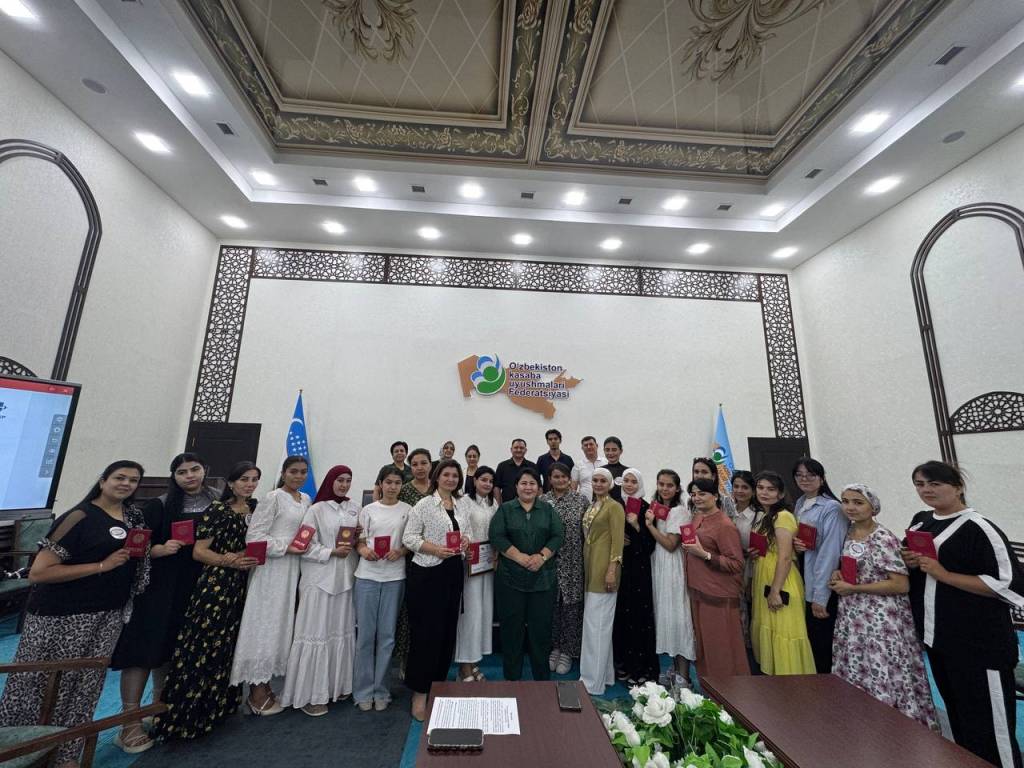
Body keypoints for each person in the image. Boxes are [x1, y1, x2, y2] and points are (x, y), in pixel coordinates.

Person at [0, 461, 149, 766]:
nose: (126, 484)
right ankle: (25, 753)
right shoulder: (79, 516)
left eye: (133, 480)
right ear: (103, 480)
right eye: (119, 477)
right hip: (62, 617)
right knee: (41, 686)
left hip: (107, 615)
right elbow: (40, 572)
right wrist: (101, 566)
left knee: (84, 686)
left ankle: (67, 754)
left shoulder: (133, 516)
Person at [903, 461, 1023, 767]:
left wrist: (945, 575)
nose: (926, 490)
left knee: (991, 730)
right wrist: (910, 560)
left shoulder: (978, 528)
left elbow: (1008, 584)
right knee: (960, 724)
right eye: (920, 484)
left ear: (958, 487)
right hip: (940, 641)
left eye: (935, 484)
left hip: (979, 647)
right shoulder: (921, 522)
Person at [112, 452, 216, 752]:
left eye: (194, 469)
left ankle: (160, 708)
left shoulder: (216, 501)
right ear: (174, 476)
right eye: (182, 472)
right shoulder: (158, 505)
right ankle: (129, 722)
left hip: (197, 586)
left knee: (173, 649)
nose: (190, 476)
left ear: (204, 470)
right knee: (144, 650)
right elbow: (134, 547)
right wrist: (159, 549)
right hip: (159, 587)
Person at [154, 462, 262, 740]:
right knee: (206, 644)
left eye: (254, 480)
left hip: (244, 584)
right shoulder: (218, 509)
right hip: (218, 584)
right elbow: (199, 552)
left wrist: (244, 557)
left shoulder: (256, 508)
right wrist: (228, 560)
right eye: (244, 479)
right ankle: (189, 716)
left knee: (229, 646)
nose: (249, 484)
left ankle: (220, 707)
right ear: (231, 483)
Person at [828, 484, 937, 728]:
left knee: (882, 668)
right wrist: (839, 573)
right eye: (846, 501)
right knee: (857, 665)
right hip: (853, 615)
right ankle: (861, 723)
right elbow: (858, 569)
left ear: (873, 507)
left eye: (858, 502)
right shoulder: (850, 533)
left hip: (880, 619)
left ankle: (890, 728)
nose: (850, 507)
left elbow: (900, 584)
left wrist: (855, 588)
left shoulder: (883, 538)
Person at [230, 456, 312, 715]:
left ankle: (266, 685)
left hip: (293, 569)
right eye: (293, 471)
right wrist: (285, 547)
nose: (298, 476)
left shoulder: (305, 499)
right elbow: (254, 536)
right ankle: (255, 691)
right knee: (263, 626)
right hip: (271, 570)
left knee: (279, 626)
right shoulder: (273, 498)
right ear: (284, 473)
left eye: (303, 472)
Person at [280, 465, 361, 715]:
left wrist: (358, 539)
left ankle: (338, 685)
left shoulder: (354, 508)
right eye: (340, 480)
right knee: (317, 632)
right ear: (330, 481)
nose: (344, 485)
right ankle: (310, 695)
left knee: (340, 631)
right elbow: (303, 545)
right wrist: (330, 552)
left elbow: (358, 540)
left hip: (345, 580)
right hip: (319, 581)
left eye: (348, 480)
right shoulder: (316, 510)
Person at [402, 459, 472, 721]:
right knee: (426, 635)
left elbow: (467, 533)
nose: (451, 479)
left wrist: (465, 541)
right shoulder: (424, 504)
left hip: (453, 572)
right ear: (437, 477)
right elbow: (409, 538)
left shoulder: (461, 504)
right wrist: (435, 549)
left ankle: (438, 687)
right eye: (446, 475)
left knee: (446, 634)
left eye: (455, 475)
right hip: (428, 573)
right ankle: (419, 694)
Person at [490, 468, 564, 682]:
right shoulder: (505, 509)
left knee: (540, 631)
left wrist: (542, 556)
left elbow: (558, 535)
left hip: (543, 580)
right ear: (516, 487)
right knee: (511, 630)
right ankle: (512, 679)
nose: (528, 487)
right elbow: (496, 536)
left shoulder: (548, 510)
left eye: (532, 483)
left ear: (539, 488)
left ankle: (542, 680)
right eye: (524, 483)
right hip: (510, 579)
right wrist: (520, 557)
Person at [353, 467, 410, 712]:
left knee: (387, 637)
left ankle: (381, 690)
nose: (392, 487)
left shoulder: (408, 510)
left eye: (397, 483)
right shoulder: (368, 510)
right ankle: (362, 691)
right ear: (380, 484)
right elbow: (358, 541)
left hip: (395, 578)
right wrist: (364, 550)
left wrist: (401, 551)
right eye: (388, 482)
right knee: (366, 636)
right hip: (367, 577)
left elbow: (411, 541)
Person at [681, 478, 750, 680]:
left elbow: (736, 564)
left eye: (702, 494)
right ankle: (709, 690)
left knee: (722, 649)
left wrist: (705, 555)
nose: (697, 498)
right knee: (705, 648)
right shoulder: (697, 517)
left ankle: (730, 692)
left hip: (717, 596)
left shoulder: (724, 525)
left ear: (715, 496)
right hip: (698, 591)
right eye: (694, 494)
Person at [749, 470, 815, 675]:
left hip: (781, 581)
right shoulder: (765, 516)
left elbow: (785, 556)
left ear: (780, 494)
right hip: (765, 577)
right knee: (770, 630)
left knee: (785, 632)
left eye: (771, 489)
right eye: (760, 488)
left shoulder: (783, 516)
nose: (764, 493)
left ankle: (791, 686)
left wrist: (775, 590)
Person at [792, 458, 847, 674]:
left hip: (822, 584)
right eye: (799, 475)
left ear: (822, 479)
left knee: (823, 645)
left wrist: (820, 596)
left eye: (810, 475)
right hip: (804, 577)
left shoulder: (832, 508)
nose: (804, 479)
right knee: (812, 641)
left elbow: (830, 553)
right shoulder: (800, 503)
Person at [644, 469, 695, 689]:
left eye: (669, 485)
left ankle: (684, 676)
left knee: (678, 618)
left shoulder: (680, 511)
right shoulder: (657, 508)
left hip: (672, 568)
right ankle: (675, 669)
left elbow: (671, 544)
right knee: (667, 617)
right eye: (661, 484)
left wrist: (649, 526)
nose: (664, 489)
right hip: (659, 567)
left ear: (677, 488)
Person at [579, 468, 624, 695]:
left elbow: (618, 541)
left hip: (605, 570)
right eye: (595, 480)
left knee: (595, 626)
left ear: (610, 484)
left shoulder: (614, 507)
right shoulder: (592, 506)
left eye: (602, 481)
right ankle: (604, 677)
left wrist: (612, 570)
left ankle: (590, 683)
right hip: (591, 568)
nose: (598, 484)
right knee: (599, 625)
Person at [541, 463, 589, 675]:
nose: (560, 480)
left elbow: (590, 531)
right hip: (549, 562)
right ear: (550, 479)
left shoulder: (581, 500)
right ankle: (555, 648)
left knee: (571, 608)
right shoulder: (543, 501)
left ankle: (568, 651)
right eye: (556, 476)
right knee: (551, 607)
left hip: (573, 562)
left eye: (564, 477)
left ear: (570, 479)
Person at [612, 468, 658, 684]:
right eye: (626, 481)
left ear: (639, 484)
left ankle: (640, 668)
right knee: (621, 617)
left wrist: (636, 525)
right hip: (619, 567)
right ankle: (623, 664)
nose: (629, 485)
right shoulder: (615, 505)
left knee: (639, 618)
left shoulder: (647, 508)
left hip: (639, 570)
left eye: (633, 481)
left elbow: (650, 545)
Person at [455, 466, 499, 682]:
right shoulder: (464, 502)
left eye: (490, 481)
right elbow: (460, 530)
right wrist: (466, 550)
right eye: (483, 479)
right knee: (470, 615)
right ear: (475, 481)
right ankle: (463, 665)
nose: (487, 484)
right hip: (469, 566)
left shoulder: (493, 504)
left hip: (487, 567)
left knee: (483, 614)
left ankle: (474, 662)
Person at [394, 448, 433, 677]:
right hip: (410, 557)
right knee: (409, 609)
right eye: (415, 464)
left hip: (437, 558)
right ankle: (405, 659)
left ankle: (429, 657)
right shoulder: (404, 491)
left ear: (430, 465)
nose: (419, 467)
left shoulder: (438, 489)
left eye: (423, 463)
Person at [730, 470, 759, 650]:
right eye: (736, 486)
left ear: (753, 491)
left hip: (751, 570)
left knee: (751, 612)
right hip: (731, 571)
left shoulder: (758, 516)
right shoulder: (728, 512)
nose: (740, 491)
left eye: (745, 487)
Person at [494, 438, 537, 503]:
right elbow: (497, 487)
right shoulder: (502, 466)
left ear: (525, 450)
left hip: (528, 505)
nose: (518, 450)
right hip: (507, 505)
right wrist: (498, 505)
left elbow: (538, 487)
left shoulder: (532, 466)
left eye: (521, 448)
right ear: (511, 449)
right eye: (516, 448)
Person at [571, 435, 607, 501]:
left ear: (597, 446)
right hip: (584, 503)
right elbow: (573, 488)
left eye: (591, 444)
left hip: (604, 502)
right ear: (582, 448)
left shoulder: (605, 462)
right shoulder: (578, 465)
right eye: (586, 445)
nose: (589, 447)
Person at [602, 437, 628, 503]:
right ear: (604, 451)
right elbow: (595, 496)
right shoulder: (600, 471)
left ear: (621, 451)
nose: (610, 453)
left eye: (614, 450)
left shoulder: (627, 472)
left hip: (623, 507)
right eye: (607, 450)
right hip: (604, 507)